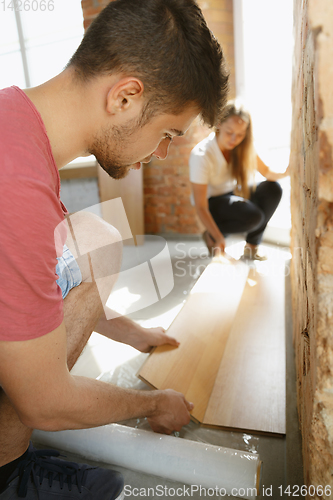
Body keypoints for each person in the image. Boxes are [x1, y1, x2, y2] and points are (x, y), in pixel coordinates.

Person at [0, 0, 229, 498]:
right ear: (125, 96)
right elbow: (46, 403)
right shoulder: (14, 186)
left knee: (94, 237)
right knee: (99, 243)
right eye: (167, 132)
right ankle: (8, 472)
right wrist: (153, 404)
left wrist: (128, 331)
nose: (163, 151)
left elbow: (34, 280)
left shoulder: (15, 122)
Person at [189, 102, 289, 260]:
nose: (234, 139)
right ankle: (212, 235)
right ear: (219, 124)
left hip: (231, 194)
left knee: (273, 189)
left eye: (241, 134)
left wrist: (288, 171)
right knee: (254, 216)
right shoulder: (201, 155)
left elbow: (267, 172)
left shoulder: (243, 147)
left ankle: (252, 247)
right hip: (212, 203)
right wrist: (219, 238)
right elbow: (201, 206)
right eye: (229, 132)